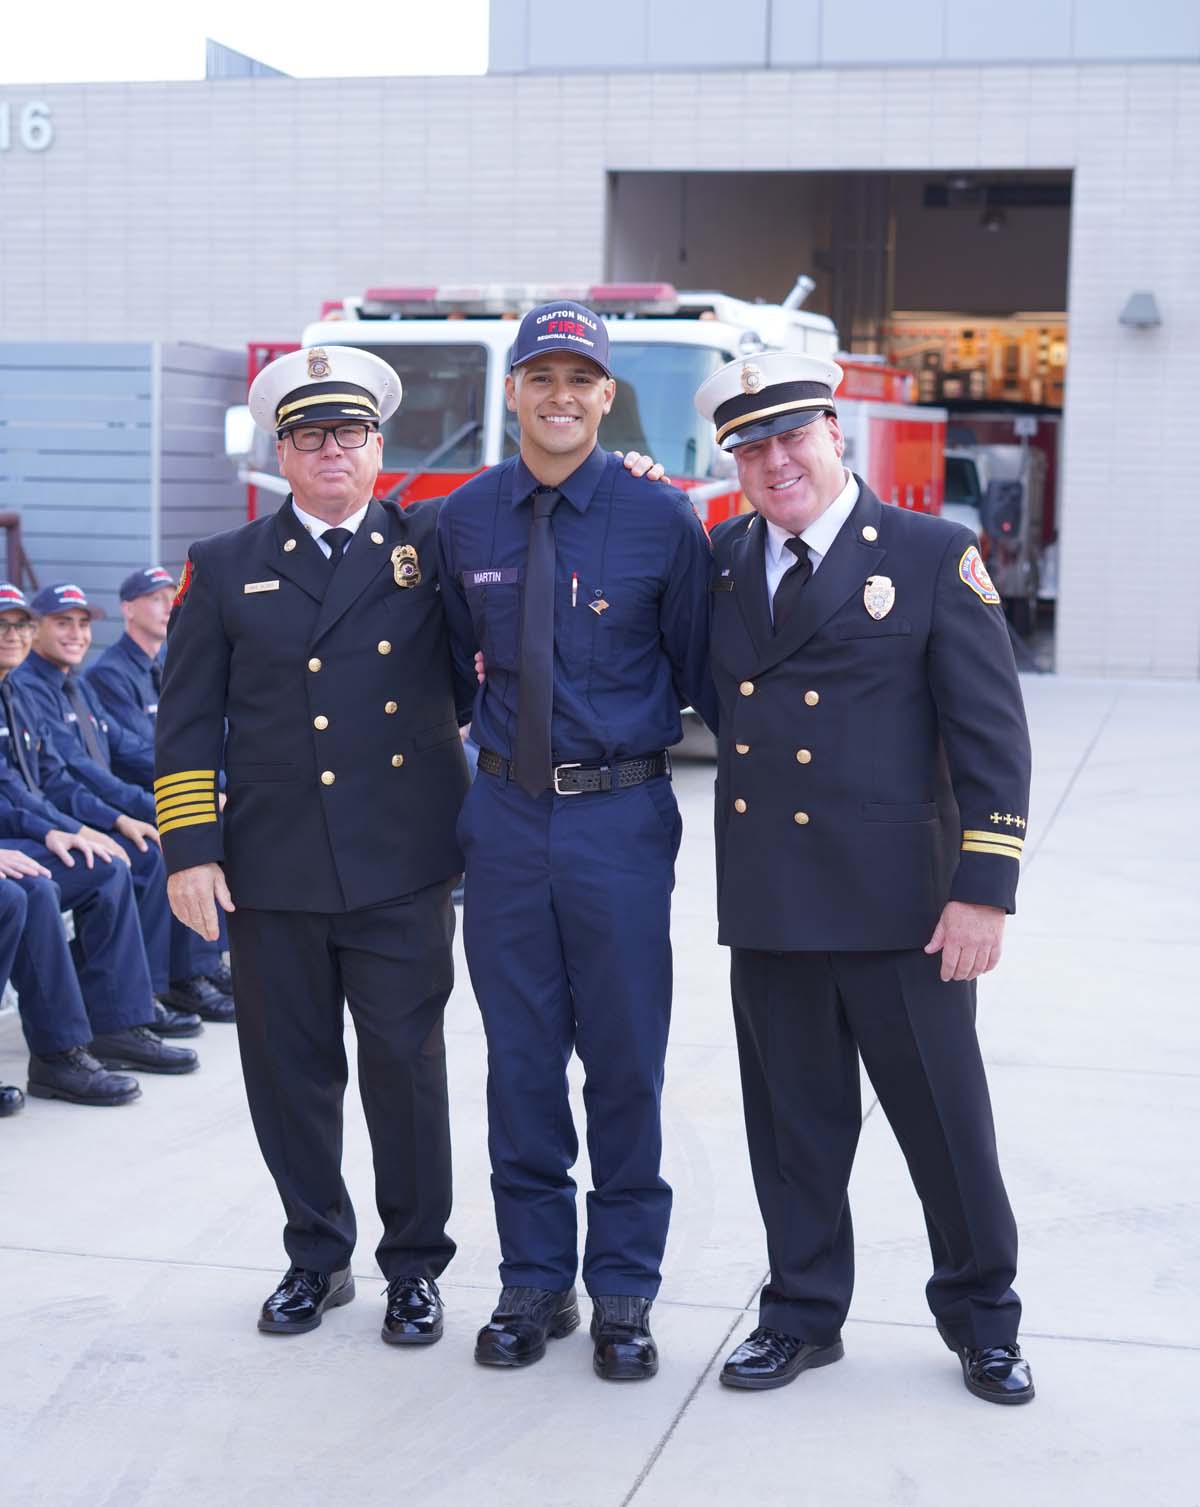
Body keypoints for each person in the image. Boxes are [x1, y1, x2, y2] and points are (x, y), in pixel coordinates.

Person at [693, 351, 1035, 1405]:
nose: (774, 460)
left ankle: (984, 1318)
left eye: (791, 435)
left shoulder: (933, 553)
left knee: (945, 1125)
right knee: (793, 1130)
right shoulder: (720, 561)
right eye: (750, 446)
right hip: (772, 902)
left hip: (905, 909)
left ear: (835, 432)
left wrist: (985, 887)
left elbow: (992, 738)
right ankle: (801, 1313)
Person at [155, 345, 474, 1344]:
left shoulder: (431, 547)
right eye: (309, 436)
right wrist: (188, 849)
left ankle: (415, 1266)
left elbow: (541, 511)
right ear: (279, 454)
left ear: (380, 447)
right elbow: (186, 717)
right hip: (275, 864)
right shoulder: (228, 563)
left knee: (405, 1071)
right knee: (289, 1072)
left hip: (401, 860)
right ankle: (316, 1254)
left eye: (350, 433)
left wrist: (629, 475)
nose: (331, 450)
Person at [437, 300, 712, 1381]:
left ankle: (625, 1292)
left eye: (580, 379)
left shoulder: (664, 519)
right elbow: (456, 662)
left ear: (607, 396)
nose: (560, 396)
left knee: (626, 1061)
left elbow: (700, 671)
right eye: (540, 377)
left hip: (619, 818)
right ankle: (534, 1279)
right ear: (512, 391)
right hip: (504, 818)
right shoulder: (464, 517)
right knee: (518, 1063)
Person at [0, 582, 197, 1089]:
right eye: (59, 621)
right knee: (33, 888)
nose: (13, 636)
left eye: (18, 625)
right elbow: (51, 782)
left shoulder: (18, 693)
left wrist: (87, 827)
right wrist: (77, 826)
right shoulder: (28, 688)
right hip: (14, 843)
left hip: (28, 832)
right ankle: (61, 1047)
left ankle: (119, 1021)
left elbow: (38, 781)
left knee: (108, 862)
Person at [17, 581, 232, 1030]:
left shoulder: (73, 683)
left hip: (79, 814)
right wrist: (138, 812)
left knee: (180, 832)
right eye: (62, 623)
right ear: (36, 630)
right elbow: (65, 774)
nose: (76, 633)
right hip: (67, 819)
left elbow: (123, 749)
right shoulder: (33, 686)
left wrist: (195, 787)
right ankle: (152, 993)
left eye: (81, 623)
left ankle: (176, 980)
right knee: (145, 854)